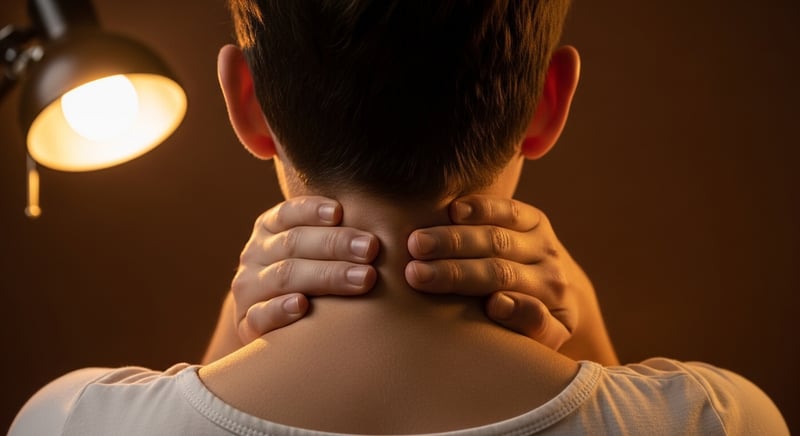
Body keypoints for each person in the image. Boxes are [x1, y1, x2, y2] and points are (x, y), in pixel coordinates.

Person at [10, 0, 789, 435]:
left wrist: (232, 337)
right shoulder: (718, 420)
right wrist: (589, 342)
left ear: (246, 101)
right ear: (549, 103)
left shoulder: (72, 422)